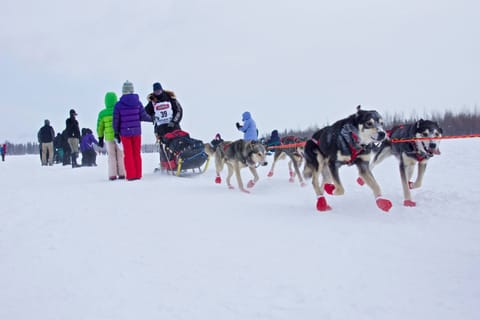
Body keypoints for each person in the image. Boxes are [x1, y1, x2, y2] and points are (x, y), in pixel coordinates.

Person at [113, 80, 152, 180]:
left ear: (123, 91)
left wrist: (116, 132)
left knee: (128, 154)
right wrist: (153, 119)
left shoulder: (118, 105)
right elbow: (143, 116)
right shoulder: (137, 102)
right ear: (132, 90)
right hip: (136, 132)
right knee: (136, 154)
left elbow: (116, 120)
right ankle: (138, 174)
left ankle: (131, 175)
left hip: (125, 133)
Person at [97, 91, 126, 180]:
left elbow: (99, 127)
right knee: (120, 155)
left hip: (109, 138)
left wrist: (100, 138)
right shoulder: (119, 110)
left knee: (111, 155)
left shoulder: (102, 113)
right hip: (119, 136)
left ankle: (112, 174)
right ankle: (122, 173)